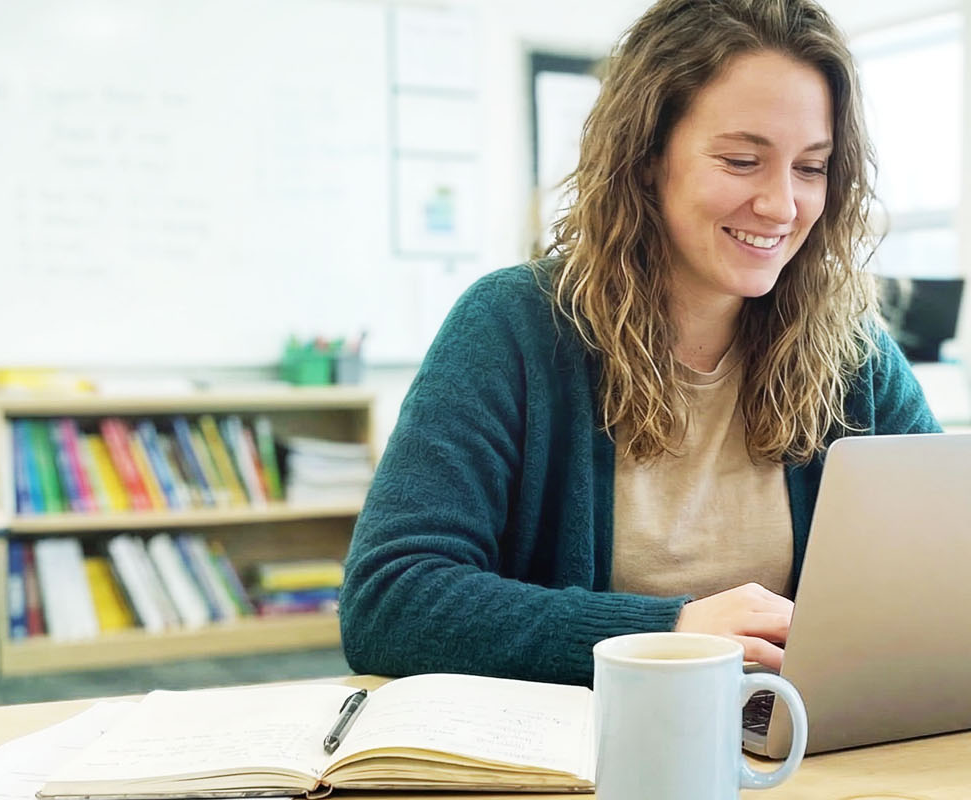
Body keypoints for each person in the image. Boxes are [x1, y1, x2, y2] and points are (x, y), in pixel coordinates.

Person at [339, 0, 939, 686]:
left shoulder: (848, 347)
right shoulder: (512, 327)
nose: (781, 205)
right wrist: (668, 634)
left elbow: (956, 553)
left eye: (811, 168)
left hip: (792, 745)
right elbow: (391, 602)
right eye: (743, 161)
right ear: (648, 158)